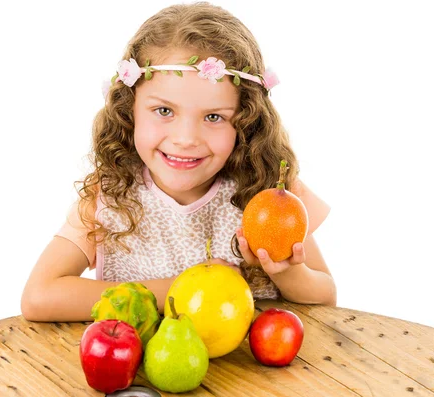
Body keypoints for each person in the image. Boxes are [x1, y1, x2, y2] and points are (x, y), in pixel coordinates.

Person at [21, 2, 336, 322]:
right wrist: (181, 289)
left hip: (252, 371)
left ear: (246, 121)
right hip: (141, 369)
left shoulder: (268, 191)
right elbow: (39, 296)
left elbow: (326, 298)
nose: (186, 138)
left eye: (214, 116)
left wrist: (285, 273)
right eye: (164, 111)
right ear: (129, 109)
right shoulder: (111, 195)